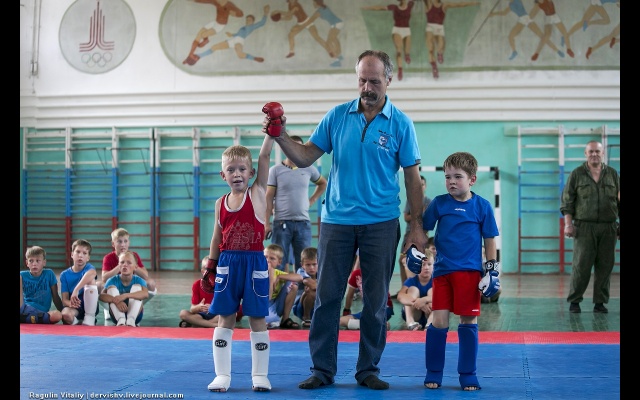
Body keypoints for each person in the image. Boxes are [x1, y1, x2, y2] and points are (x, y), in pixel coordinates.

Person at [264, 49, 426, 391]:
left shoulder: (401, 123)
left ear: (389, 80)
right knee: (327, 297)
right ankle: (322, 370)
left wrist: (416, 227)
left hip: (381, 222)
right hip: (336, 221)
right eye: (362, 80)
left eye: (374, 81)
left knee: (376, 299)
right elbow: (305, 156)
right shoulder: (337, 116)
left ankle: (368, 369)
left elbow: (413, 178)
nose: (367, 87)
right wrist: (280, 135)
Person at [421, 151, 500, 391]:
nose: (452, 182)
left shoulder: (482, 206)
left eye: (458, 177)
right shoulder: (439, 203)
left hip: (469, 273)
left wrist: (492, 270)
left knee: (468, 321)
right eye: (448, 177)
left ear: (472, 180)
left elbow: (490, 239)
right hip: (442, 272)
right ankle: (434, 371)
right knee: (439, 322)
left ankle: (468, 374)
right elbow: (422, 230)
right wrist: (417, 250)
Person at [204, 134, 275, 392]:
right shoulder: (219, 203)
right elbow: (216, 237)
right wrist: (210, 266)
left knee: (257, 318)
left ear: (251, 173)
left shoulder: (257, 193)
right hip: (227, 263)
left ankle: (260, 375)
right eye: (231, 170)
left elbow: (264, 156)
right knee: (225, 317)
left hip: (254, 263)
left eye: (242, 169)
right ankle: (222, 375)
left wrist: (271, 133)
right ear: (223, 175)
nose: (237, 174)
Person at [561, 140, 619, 314]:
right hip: (584, 227)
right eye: (591, 151)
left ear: (603, 153)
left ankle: (600, 303)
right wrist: (568, 224)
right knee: (581, 265)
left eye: (597, 151)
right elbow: (568, 201)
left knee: (605, 266)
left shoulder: (613, 174)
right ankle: (575, 301)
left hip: (608, 227)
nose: (594, 154)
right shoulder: (577, 174)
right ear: (585, 154)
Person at [265, 135, 327, 273]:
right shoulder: (275, 170)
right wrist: (266, 223)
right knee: (278, 263)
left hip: (303, 223)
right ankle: (279, 287)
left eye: (298, 147)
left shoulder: (309, 168)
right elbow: (268, 197)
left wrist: (312, 200)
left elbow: (323, 183)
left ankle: (302, 288)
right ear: (285, 148)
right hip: (281, 223)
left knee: (304, 264)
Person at [188, 5, 270, 65]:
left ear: (253, 21)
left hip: (239, 41)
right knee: (214, 47)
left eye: (249, 20)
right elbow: (239, 34)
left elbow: (262, 23)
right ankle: (198, 56)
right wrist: (232, 34)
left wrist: (266, 13)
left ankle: (254, 58)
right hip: (233, 40)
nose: (247, 21)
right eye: (247, 19)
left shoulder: (252, 26)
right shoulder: (244, 27)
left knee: (240, 55)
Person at [179, 256, 244, 328]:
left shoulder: (224, 284)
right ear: (203, 271)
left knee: (231, 314)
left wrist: (214, 307)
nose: (212, 273)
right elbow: (192, 309)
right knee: (183, 313)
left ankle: (199, 323)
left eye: (214, 270)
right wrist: (199, 307)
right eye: (208, 270)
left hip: (219, 314)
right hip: (203, 314)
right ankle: (211, 325)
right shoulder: (197, 284)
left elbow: (231, 305)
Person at [488, 0, 564, 61]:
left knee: (542, 36)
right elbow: (504, 13)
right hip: (522, 20)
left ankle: (557, 50)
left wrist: (493, 14)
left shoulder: (517, 0)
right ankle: (514, 52)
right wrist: (493, 14)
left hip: (526, 18)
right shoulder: (510, 5)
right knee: (510, 36)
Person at [423, 0, 480, 79]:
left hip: (439, 28)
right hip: (430, 27)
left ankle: (440, 53)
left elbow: (459, 4)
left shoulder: (444, 5)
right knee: (430, 49)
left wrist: (473, 3)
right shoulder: (428, 4)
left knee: (441, 46)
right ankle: (434, 67)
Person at [362, 1, 416, 81]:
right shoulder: (395, 7)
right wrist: (367, 8)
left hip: (407, 30)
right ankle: (400, 69)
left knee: (407, 52)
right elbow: (380, 8)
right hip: (397, 30)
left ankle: (407, 55)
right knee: (399, 51)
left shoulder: (410, 5)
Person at [183, 0, 244, 66]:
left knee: (203, 34)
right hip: (214, 23)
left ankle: (205, 40)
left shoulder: (229, 5)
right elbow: (205, 1)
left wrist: (233, 13)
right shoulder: (216, 2)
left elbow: (240, 14)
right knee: (199, 34)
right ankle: (191, 54)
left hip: (220, 25)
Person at [340, 257, 394, 331]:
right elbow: (350, 295)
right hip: (375, 310)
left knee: (342, 321)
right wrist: (346, 310)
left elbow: (350, 295)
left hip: (383, 308)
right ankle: (377, 325)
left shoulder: (376, 272)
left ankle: (378, 325)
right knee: (342, 320)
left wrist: (346, 310)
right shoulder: (356, 274)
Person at [99, 251, 149, 327]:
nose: (125, 265)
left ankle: (131, 320)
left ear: (135, 267)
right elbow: (101, 296)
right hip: (116, 316)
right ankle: (121, 320)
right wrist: (116, 301)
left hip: (136, 317)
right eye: (122, 262)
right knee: (111, 288)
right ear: (118, 266)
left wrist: (125, 295)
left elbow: (145, 294)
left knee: (137, 288)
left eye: (129, 263)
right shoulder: (112, 280)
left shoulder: (139, 280)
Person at [102, 228, 157, 296]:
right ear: (113, 244)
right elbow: (104, 278)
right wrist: (120, 266)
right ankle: (113, 300)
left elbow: (145, 276)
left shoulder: (134, 255)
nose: (123, 245)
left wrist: (133, 265)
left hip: (131, 284)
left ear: (129, 243)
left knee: (151, 283)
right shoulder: (108, 258)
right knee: (99, 285)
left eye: (125, 241)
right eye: (119, 242)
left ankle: (139, 301)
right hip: (115, 285)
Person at [59, 239, 101, 326]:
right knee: (65, 314)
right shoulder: (64, 274)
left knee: (91, 280)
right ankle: (78, 323)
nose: (80, 255)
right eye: (78, 252)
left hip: (89, 306)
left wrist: (76, 290)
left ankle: (90, 317)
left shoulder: (89, 268)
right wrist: (71, 304)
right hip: (75, 307)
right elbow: (64, 300)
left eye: (84, 253)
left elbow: (92, 273)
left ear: (88, 258)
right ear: (72, 254)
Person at [20, 246, 63, 324]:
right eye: (31, 261)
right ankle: (32, 319)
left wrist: (62, 312)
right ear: (27, 263)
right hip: (24, 309)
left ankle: (29, 319)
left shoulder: (49, 274)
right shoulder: (22, 275)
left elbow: (55, 296)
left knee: (57, 315)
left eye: (38, 261)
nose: (34, 264)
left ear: (44, 262)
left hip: (41, 313)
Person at [401, 174, 431, 283]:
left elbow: (428, 220)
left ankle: (422, 286)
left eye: (422, 184)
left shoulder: (429, 201)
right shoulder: (410, 200)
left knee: (423, 260)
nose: (420, 187)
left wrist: (415, 215)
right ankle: (405, 286)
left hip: (423, 234)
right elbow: (406, 217)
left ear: (425, 186)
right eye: (418, 185)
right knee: (403, 259)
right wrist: (420, 213)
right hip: (409, 234)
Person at [264, 244, 302, 329]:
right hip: (263, 306)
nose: (268, 260)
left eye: (272, 258)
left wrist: (279, 276)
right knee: (270, 319)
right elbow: (268, 297)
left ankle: (285, 319)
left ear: (279, 262)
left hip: (276, 305)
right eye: (265, 257)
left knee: (293, 285)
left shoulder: (278, 273)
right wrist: (270, 277)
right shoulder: (258, 274)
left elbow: (300, 277)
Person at [397, 247, 434, 330]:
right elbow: (400, 296)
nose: (426, 267)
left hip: (430, 313)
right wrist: (418, 303)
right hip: (416, 314)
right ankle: (410, 322)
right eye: (423, 264)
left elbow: (443, 298)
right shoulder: (411, 281)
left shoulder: (436, 281)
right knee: (413, 289)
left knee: (434, 293)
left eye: (429, 264)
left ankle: (430, 323)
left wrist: (424, 300)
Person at [304, 0, 345, 67]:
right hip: (338, 23)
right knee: (334, 39)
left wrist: (303, 26)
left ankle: (337, 60)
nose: (313, 4)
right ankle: (339, 55)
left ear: (317, 3)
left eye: (314, 3)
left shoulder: (319, 11)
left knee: (329, 42)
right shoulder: (324, 7)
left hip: (336, 24)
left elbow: (311, 19)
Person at [292, 247, 318, 329]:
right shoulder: (301, 272)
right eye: (308, 265)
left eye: (314, 264)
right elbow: (313, 286)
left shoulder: (322, 271)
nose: (311, 267)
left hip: (316, 306)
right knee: (310, 290)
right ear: (302, 265)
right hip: (300, 308)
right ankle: (306, 317)